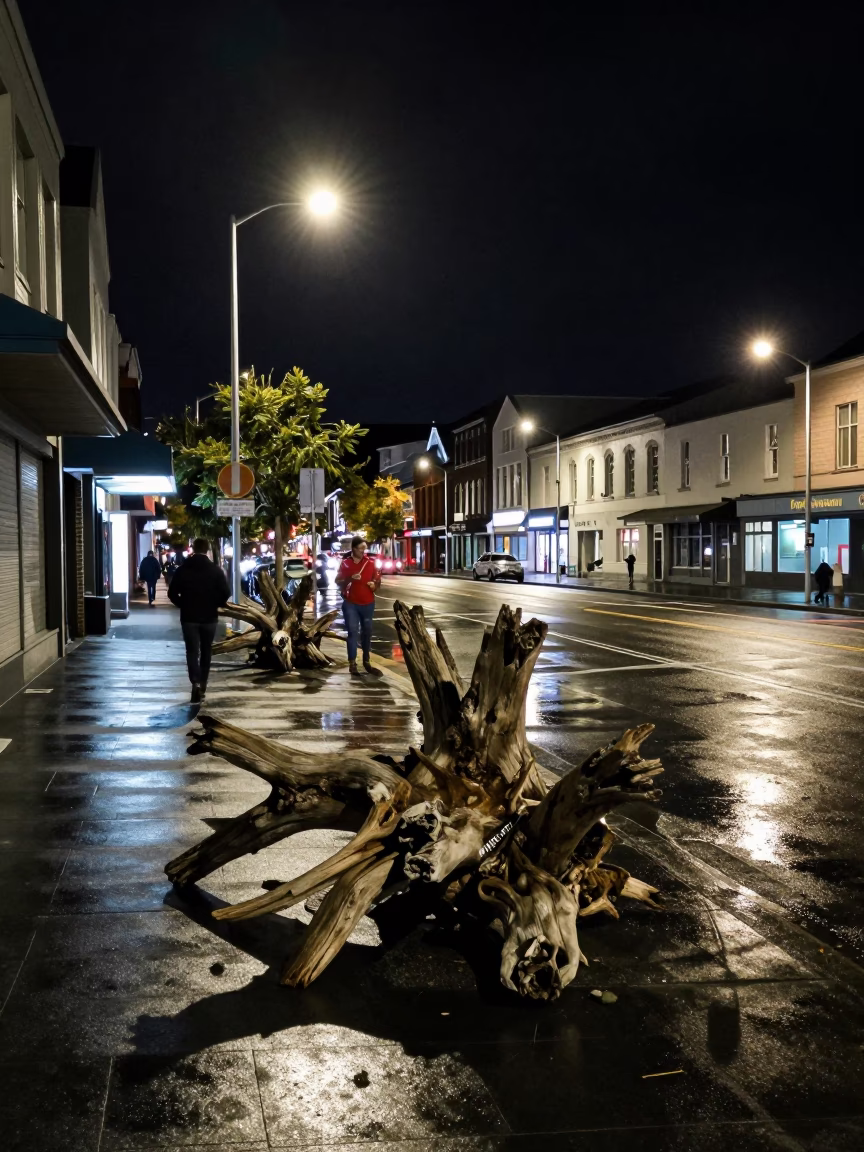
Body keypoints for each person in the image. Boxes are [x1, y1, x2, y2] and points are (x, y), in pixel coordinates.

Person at [167, 538, 230, 702]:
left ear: (193, 549)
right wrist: (215, 604)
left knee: (192, 651)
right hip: (209, 617)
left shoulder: (183, 569)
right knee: (206, 650)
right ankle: (203, 683)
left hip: (189, 617)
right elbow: (225, 592)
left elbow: (172, 593)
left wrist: (183, 604)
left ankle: (194, 681)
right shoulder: (216, 570)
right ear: (208, 549)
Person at [336, 536, 382, 676]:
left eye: (364, 548)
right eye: (361, 548)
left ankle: (366, 662)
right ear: (353, 549)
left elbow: (377, 580)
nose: (363, 551)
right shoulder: (345, 564)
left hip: (368, 603)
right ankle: (352, 664)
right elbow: (338, 581)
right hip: (351, 603)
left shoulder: (370, 563)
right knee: (353, 632)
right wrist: (350, 578)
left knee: (367, 632)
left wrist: (374, 585)